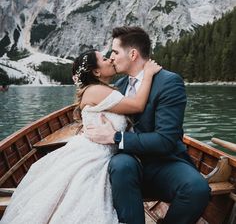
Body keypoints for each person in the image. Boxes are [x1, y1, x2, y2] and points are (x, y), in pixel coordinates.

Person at [1, 50, 161, 224]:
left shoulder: (101, 89)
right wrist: (148, 74)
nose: (110, 60)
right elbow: (137, 105)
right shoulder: (97, 90)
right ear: (96, 72)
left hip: (103, 150)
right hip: (96, 155)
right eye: (105, 59)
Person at [85, 26, 211, 224]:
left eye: (116, 52)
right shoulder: (118, 87)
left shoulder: (169, 82)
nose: (112, 58)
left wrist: (116, 137)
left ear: (133, 54)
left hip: (163, 162)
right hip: (127, 165)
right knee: (121, 165)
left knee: (197, 189)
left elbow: (166, 140)